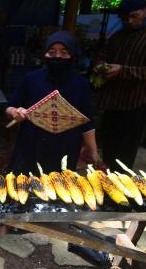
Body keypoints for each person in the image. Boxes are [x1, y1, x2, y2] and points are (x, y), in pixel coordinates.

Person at [6, 31, 99, 175]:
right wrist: (15, 112)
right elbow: (9, 106)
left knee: (60, 188)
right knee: (25, 184)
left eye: (64, 52)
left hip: (66, 147)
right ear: (45, 54)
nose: (58, 56)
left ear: (72, 55)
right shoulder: (31, 79)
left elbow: (87, 122)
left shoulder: (81, 84)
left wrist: (93, 151)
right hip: (31, 143)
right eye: (52, 52)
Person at [96, 0, 146, 170]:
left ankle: (120, 182)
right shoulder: (118, 37)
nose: (129, 21)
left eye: (133, 16)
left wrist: (122, 70)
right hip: (112, 101)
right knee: (107, 146)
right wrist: (100, 65)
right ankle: (104, 178)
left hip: (135, 103)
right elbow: (104, 55)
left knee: (125, 152)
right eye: (124, 18)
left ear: (145, 11)